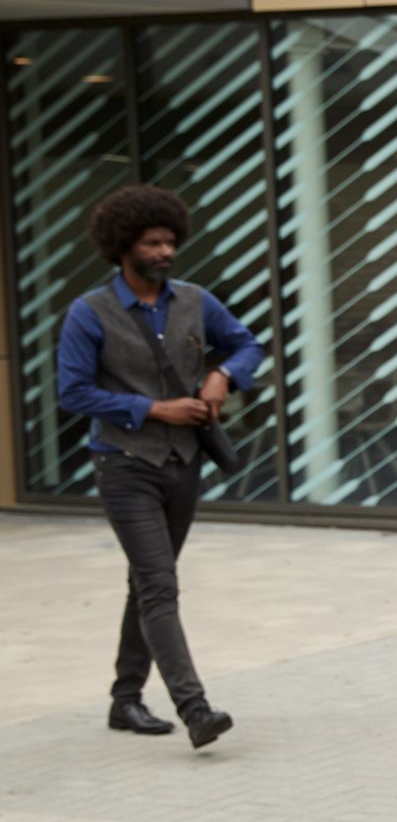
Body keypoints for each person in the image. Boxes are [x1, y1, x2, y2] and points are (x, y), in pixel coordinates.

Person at [56, 184, 264, 750]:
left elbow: (248, 345)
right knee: (158, 584)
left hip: (184, 463)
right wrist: (150, 408)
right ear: (124, 246)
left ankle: (125, 699)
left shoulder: (196, 301)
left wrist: (225, 375)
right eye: (153, 242)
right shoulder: (89, 313)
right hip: (123, 464)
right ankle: (195, 708)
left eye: (171, 241)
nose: (166, 251)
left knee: (148, 583)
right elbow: (72, 392)